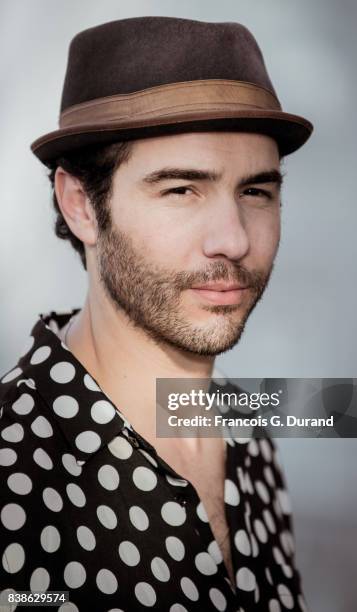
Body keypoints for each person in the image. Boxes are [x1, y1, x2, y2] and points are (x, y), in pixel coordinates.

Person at [0, 16, 313, 612]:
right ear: (82, 207)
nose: (233, 241)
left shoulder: (250, 430)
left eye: (256, 192)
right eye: (180, 190)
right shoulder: (12, 460)